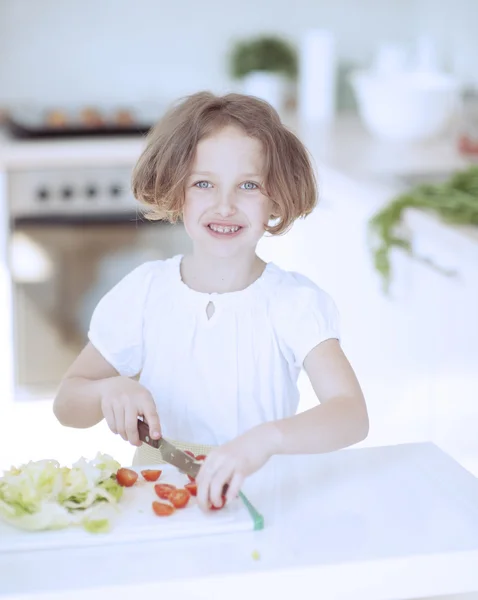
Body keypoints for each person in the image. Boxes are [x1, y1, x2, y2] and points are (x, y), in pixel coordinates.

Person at [53, 91, 369, 511]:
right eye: (204, 183)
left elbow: (351, 415)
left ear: (276, 198)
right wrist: (109, 389)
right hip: (158, 500)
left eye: (249, 185)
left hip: (263, 498)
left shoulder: (292, 303)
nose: (225, 205)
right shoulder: (144, 292)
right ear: (176, 190)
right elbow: (67, 404)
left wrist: (266, 439)